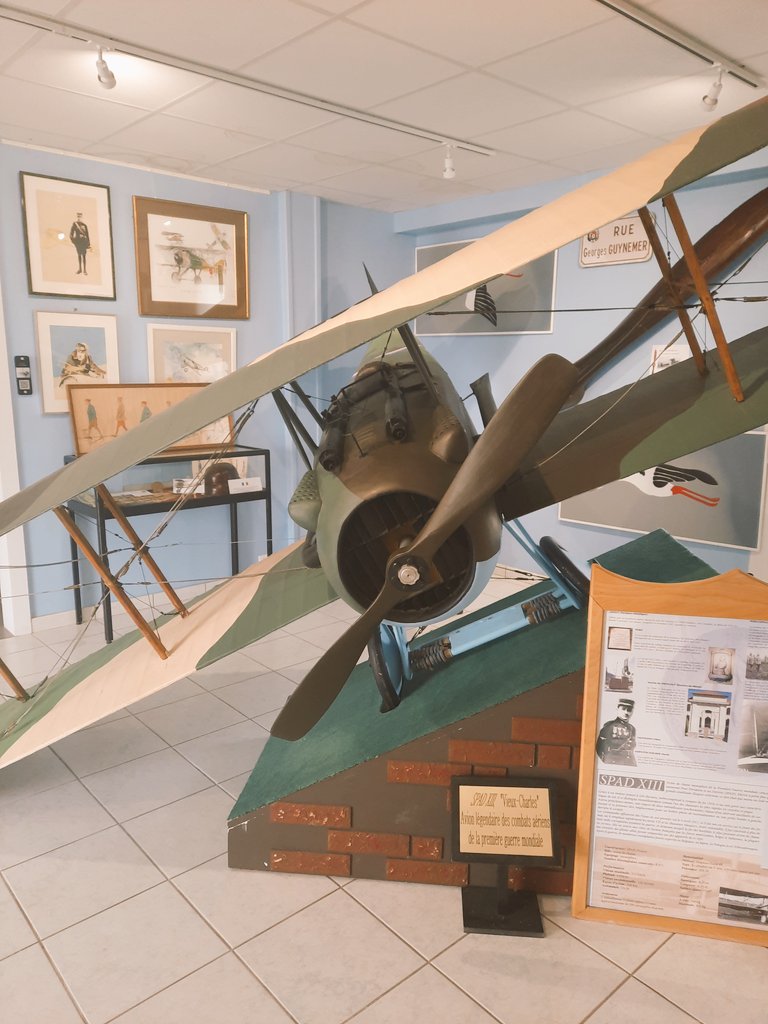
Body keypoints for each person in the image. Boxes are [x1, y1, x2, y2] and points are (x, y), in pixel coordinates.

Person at [596, 698, 637, 766]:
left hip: (629, 764)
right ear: (617, 709)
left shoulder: (632, 728)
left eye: (629, 710)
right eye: (623, 709)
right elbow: (599, 747)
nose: (626, 712)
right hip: (614, 763)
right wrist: (607, 761)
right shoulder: (609, 725)